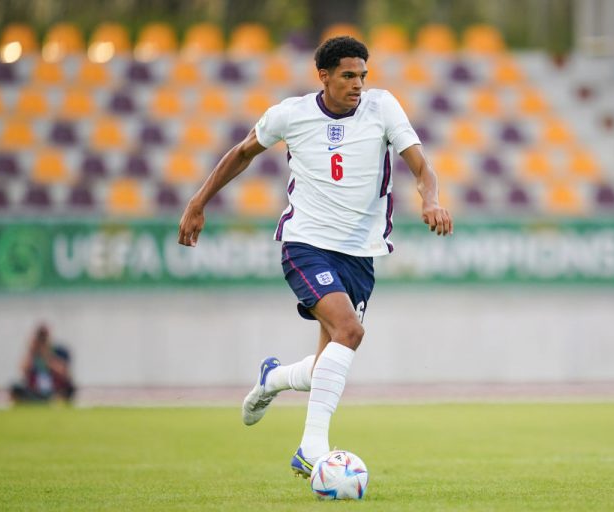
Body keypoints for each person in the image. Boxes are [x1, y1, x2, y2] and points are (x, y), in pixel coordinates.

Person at [177, 36, 453, 477]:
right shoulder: (292, 114)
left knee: (330, 359)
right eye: (348, 75)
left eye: (362, 75)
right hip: (305, 244)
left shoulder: (382, 107)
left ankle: (274, 379)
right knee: (350, 330)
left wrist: (431, 199)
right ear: (323, 76)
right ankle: (311, 449)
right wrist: (198, 202)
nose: (358, 84)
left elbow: (421, 166)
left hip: (361, 256)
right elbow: (242, 152)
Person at [10, 324, 75, 403]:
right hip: (35, 388)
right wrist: (31, 351)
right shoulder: (33, 352)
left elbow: (64, 372)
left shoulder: (58, 351)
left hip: (55, 387)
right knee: (16, 388)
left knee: (70, 388)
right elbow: (22, 369)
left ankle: (55, 400)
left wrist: (46, 355)